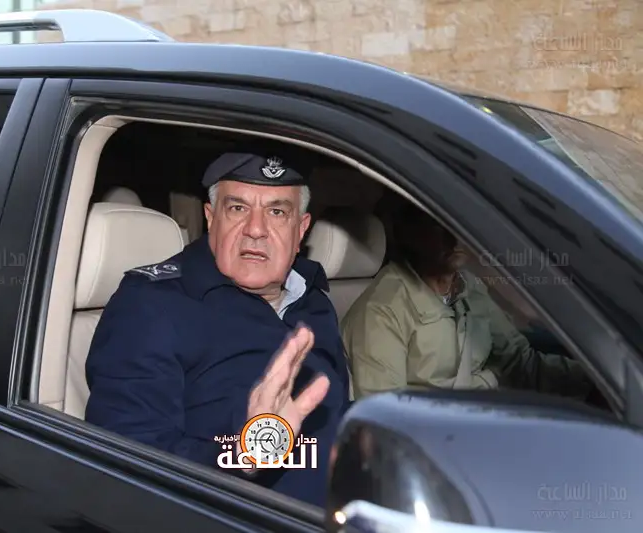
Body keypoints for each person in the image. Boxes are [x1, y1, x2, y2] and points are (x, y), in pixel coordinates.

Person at [84, 151, 350, 507]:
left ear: (300, 229)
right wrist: (247, 453)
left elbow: (334, 416)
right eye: (237, 208)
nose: (256, 229)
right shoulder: (152, 305)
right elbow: (128, 464)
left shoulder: (313, 300)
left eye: (277, 212)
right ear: (211, 218)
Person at [340, 205, 592, 399]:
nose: (455, 237)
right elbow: (388, 421)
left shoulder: (469, 288)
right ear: (409, 233)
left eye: (460, 222)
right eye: (439, 224)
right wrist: (490, 380)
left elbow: (521, 365)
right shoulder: (382, 311)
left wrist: (594, 382)